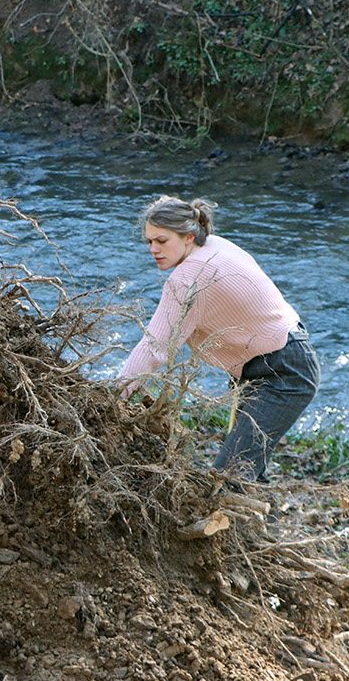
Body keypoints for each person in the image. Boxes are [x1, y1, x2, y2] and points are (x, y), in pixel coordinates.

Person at [117, 195, 320, 483]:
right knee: (246, 470)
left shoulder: (188, 279)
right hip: (270, 363)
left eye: (161, 241)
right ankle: (257, 525)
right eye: (149, 241)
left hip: (284, 374)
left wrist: (114, 396)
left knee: (229, 477)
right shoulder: (213, 243)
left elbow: (155, 349)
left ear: (188, 236)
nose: (153, 249)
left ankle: (242, 525)